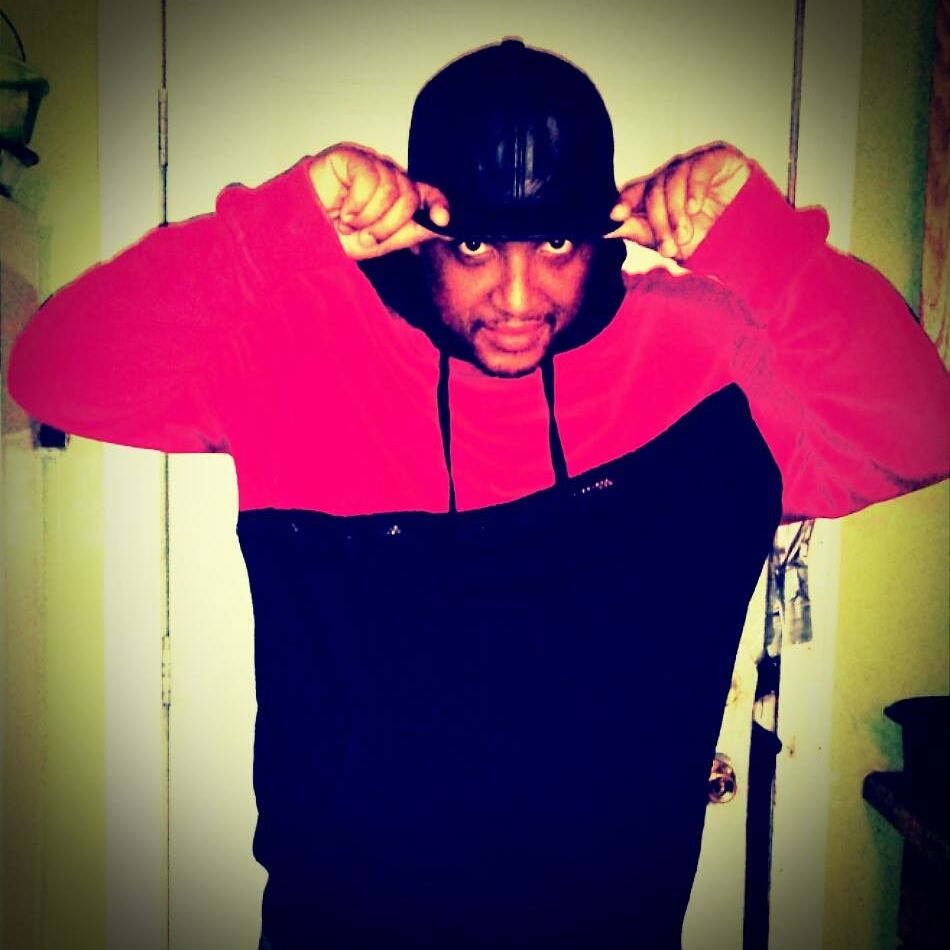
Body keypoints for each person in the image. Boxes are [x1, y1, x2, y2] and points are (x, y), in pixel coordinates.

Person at [8, 37, 948, 949]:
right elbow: (52, 371)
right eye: (473, 247)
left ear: (602, 229)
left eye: (555, 242)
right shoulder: (301, 348)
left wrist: (765, 246)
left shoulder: (706, 361)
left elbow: (921, 430)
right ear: (426, 228)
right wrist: (279, 228)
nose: (517, 295)